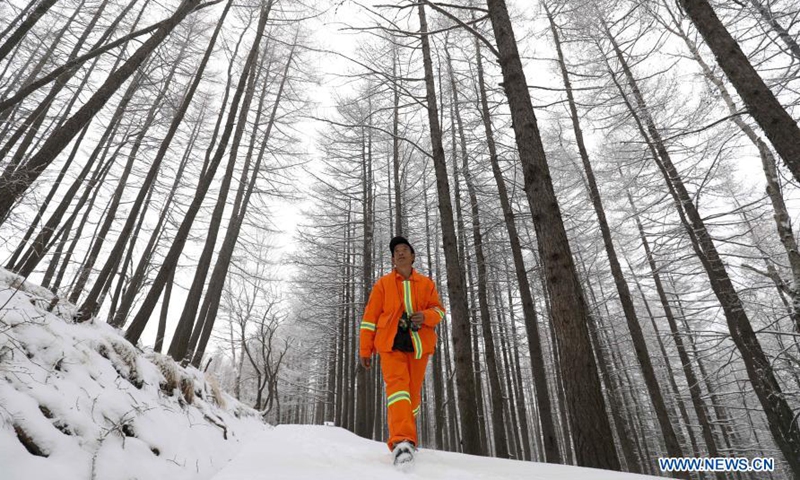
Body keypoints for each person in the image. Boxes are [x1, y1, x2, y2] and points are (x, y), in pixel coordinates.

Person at [359, 235, 446, 466]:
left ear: (413, 256)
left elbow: (439, 311)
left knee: (412, 395)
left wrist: (425, 316)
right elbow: (370, 318)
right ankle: (402, 442)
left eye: (404, 249)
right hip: (390, 345)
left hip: (418, 347)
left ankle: (406, 432)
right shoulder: (383, 284)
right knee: (398, 390)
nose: (400, 253)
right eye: (396, 250)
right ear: (393, 259)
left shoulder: (427, 284)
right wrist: (365, 349)